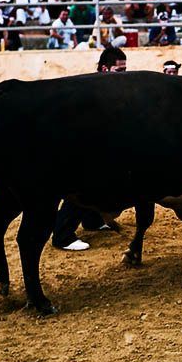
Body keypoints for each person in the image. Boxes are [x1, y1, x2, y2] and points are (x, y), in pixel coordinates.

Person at [51, 48, 127, 250]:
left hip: (97, 145)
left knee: (100, 184)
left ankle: (92, 220)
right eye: (120, 70)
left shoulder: (109, 88)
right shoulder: (91, 88)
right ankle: (62, 235)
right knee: (80, 188)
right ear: (105, 68)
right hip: (81, 147)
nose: (125, 75)